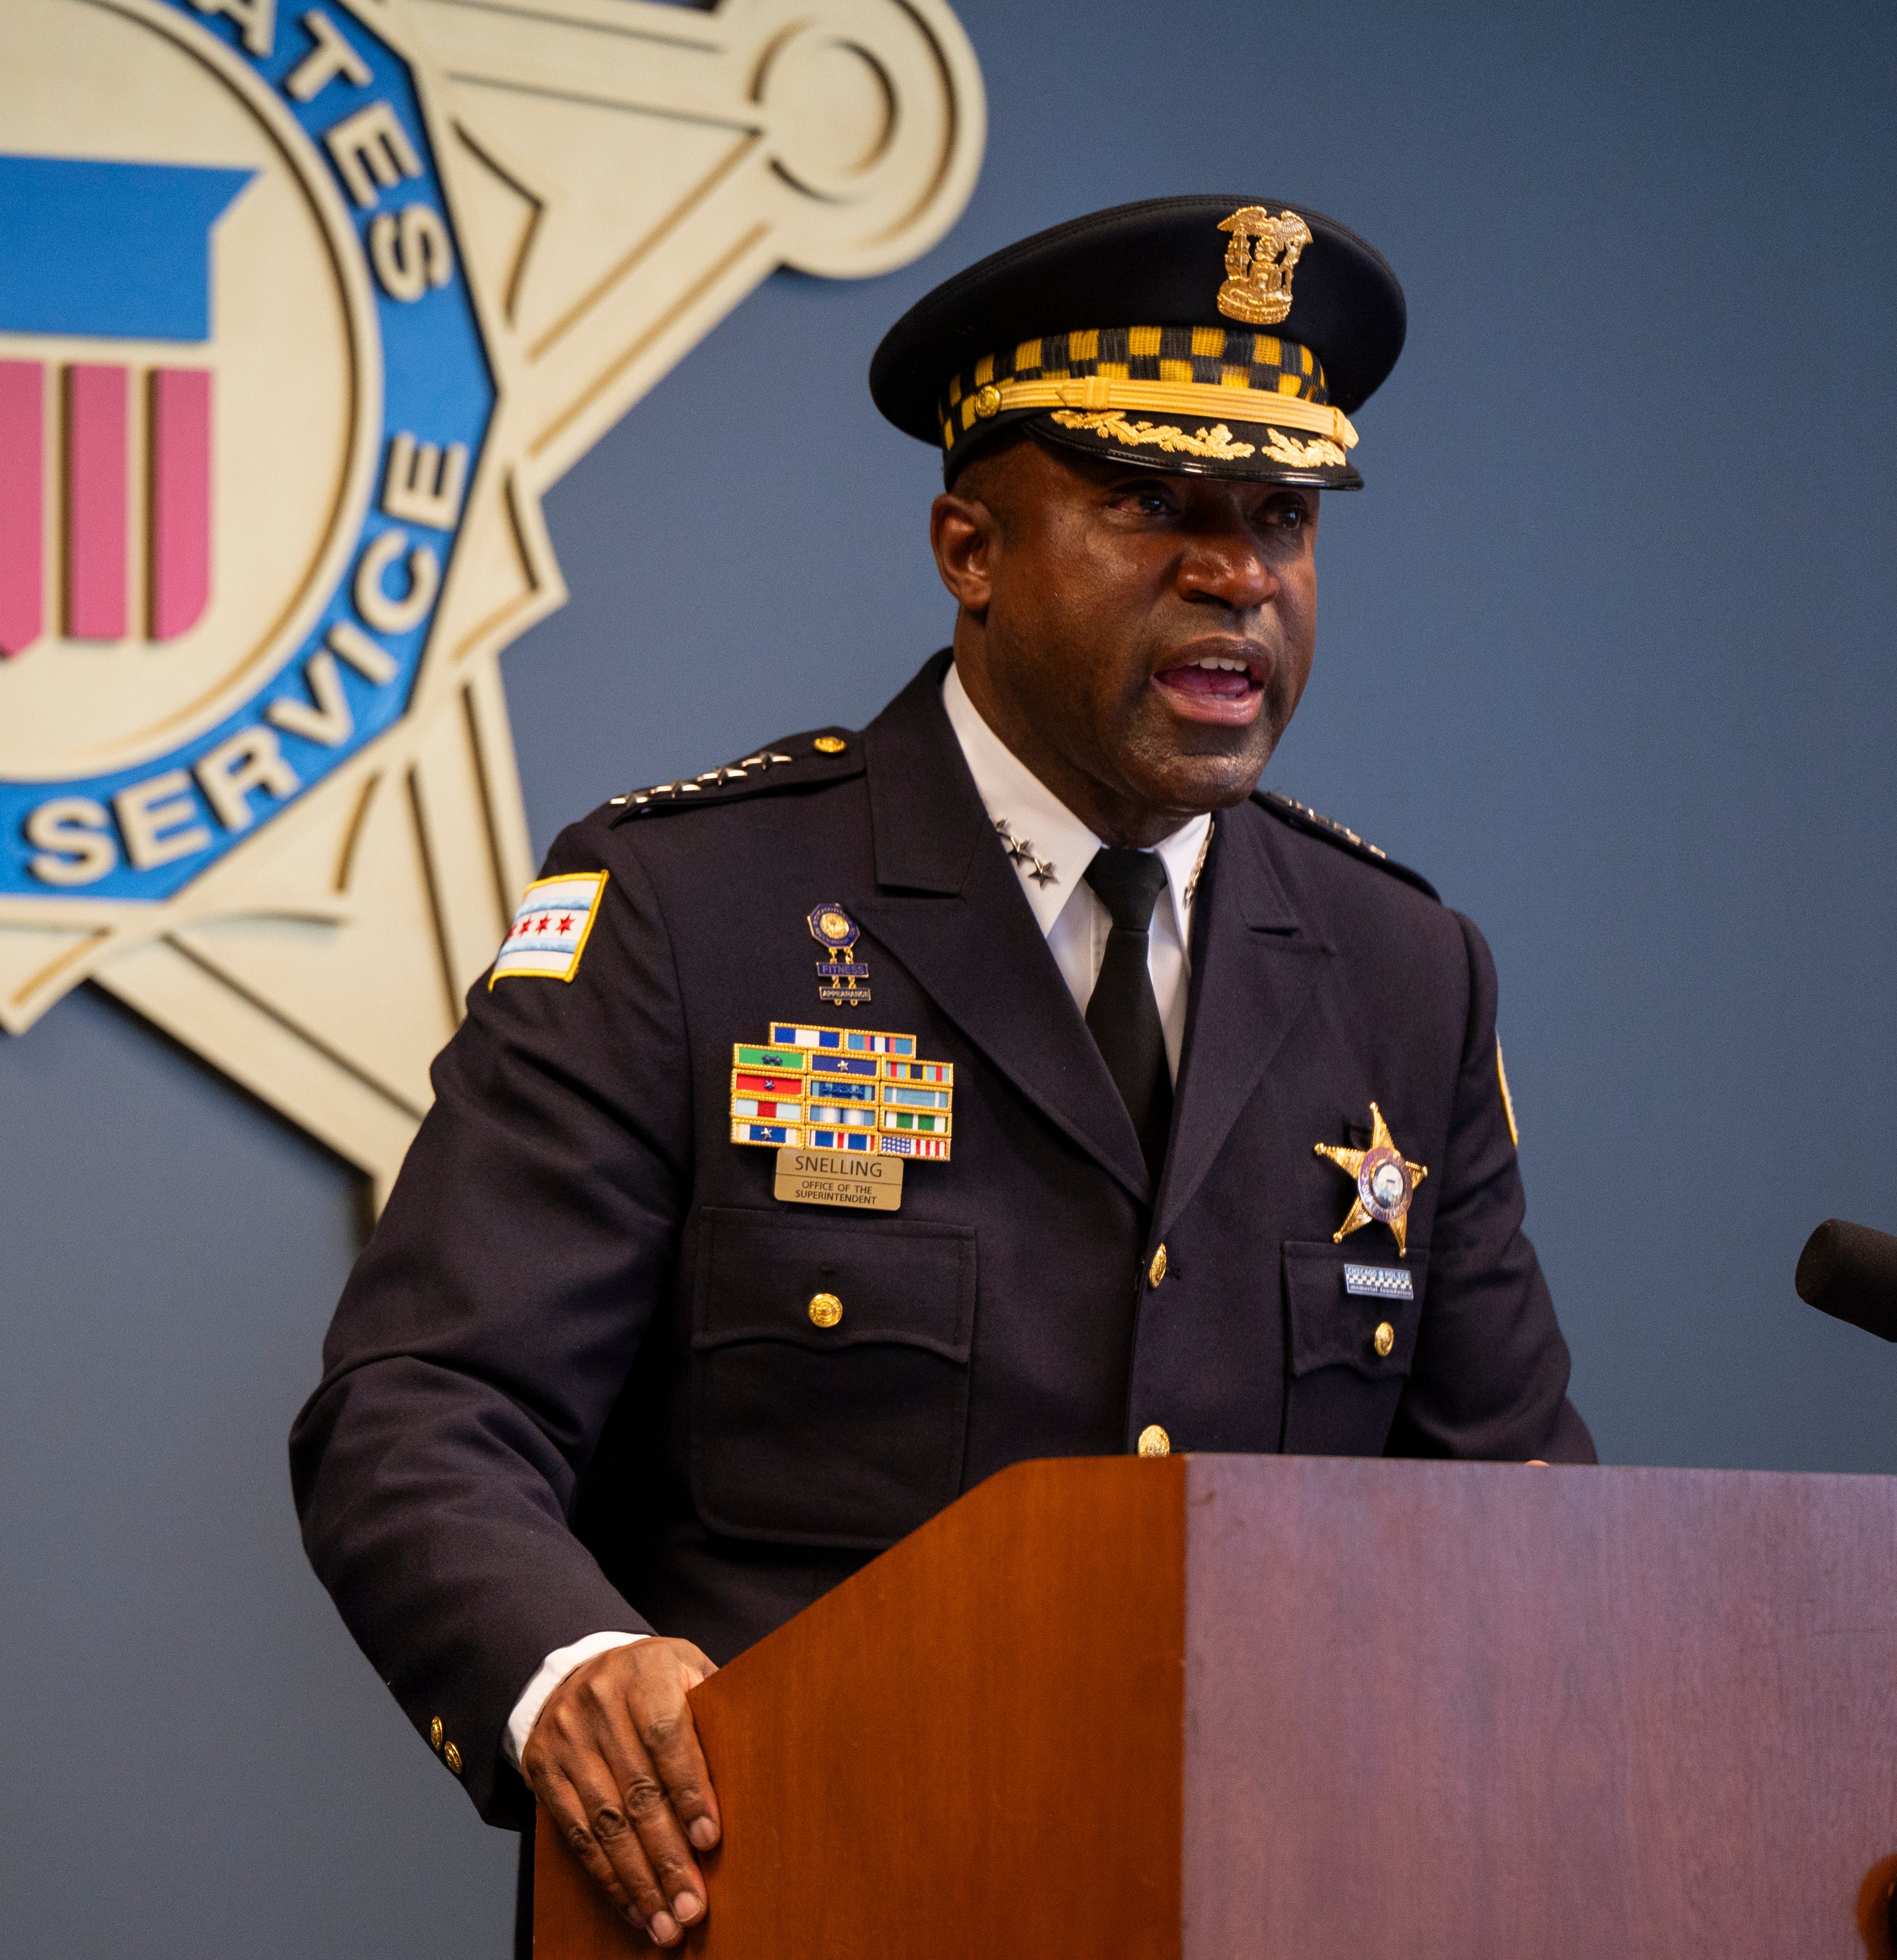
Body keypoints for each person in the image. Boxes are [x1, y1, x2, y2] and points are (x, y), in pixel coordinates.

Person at [287, 195, 1591, 1951]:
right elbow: (424, 1408)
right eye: (1151, 507)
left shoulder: (1405, 972)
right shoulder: (693, 907)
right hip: (799, 1891)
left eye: (1280, 519)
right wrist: (571, 1669)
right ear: (969, 548)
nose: (1238, 576)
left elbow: (1526, 1524)